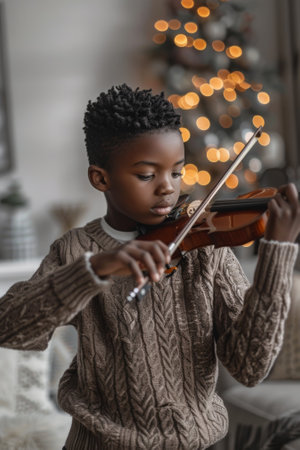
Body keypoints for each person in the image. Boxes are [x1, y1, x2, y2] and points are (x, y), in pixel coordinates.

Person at [0, 84, 299, 450]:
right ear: (100, 178)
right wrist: (94, 270)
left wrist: (278, 252)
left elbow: (250, 368)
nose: (167, 189)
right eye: (146, 175)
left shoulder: (206, 249)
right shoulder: (76, 249)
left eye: (177, 172)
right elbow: (11, 328)